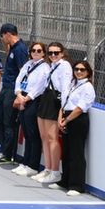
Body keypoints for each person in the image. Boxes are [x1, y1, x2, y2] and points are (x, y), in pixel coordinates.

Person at [33, 42, 72, 185]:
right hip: (46, 97)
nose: (53, 56)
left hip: (55, 100)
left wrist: (63, 110)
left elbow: (65, 88)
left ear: (62, 53)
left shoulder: (64, 66)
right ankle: (48, 168)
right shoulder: (52, 66)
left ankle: (55, 171)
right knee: (44, 136)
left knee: (52, 137)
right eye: (50, 53)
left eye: (56, 53)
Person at [56, 60, 95, 196]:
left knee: (76, 153)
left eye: (82, 70)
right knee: (66, 151)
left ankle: (77, 185)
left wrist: (66, 120)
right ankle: (65, 181)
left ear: (88, 72)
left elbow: (80, 108)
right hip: (66, 117)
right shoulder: (73, 84)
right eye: (76, 69)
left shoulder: (88, 87)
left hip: (77, 120)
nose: (78, 72)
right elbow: (64, 102)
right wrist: (60, 118)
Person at [11, 41, 49, 177]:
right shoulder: (28, 65)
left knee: (33, 133)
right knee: (26, 132)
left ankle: (33, 165)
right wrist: (18, 94)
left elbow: (39, 86)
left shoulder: (44, 68)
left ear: (44, 53)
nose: (36, 53)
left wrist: (26, 99)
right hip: (23, 96)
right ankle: (25, 162)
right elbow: (19, 79)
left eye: (39, 51)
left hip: (33, 100)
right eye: (33, 50)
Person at [0, 23, 28, 163]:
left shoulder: (20, 49)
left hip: (13, 90)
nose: (2, 39)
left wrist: (19, 95)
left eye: (2, 36)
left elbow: (24, 73)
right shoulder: (13, 48)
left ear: (8, 34)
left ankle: (8, 154)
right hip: (6, 87)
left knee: (8, 122)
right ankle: (4, 149)